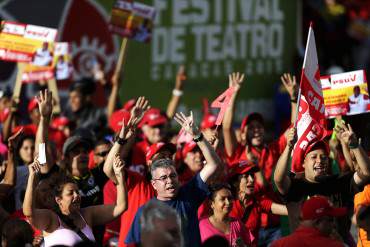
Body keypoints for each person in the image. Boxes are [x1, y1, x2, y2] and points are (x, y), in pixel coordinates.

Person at [125, 111, 223, 247]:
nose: (169, 181)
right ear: (154, 184)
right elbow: (132, 244)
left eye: (172, 176)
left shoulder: (188, 194)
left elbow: (214, 164)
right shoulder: (144, 212)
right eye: (164, 178)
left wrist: (197, 135)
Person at [273, 124, 370, 245]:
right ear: (303, 163)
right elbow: (278, 179)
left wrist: (354, 145)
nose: (320, 160)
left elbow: (366, 173)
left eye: (324, 157)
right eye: (314, 157)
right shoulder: (295, 186)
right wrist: (288, 147)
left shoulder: (339, 182)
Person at [23, 154, 128, 247]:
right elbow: (29, 212)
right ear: (58, 199)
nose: (77, 195)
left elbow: (120, 206)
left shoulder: (86, 214)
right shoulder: (51, 219)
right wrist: (32, 176)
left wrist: (119, 175)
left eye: (77, 192)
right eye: (70, 193)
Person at [228, 164, 287, 246]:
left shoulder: (257, 201)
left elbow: (286, 210)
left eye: (252, 175)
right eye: (246, 176)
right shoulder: (227, 204)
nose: (251, 179)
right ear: (235, 183)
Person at [271, 196, 346, 247]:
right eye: (331, 220)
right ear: (317, 222)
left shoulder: (279, 244)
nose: (333, 224)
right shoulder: (334, 245)